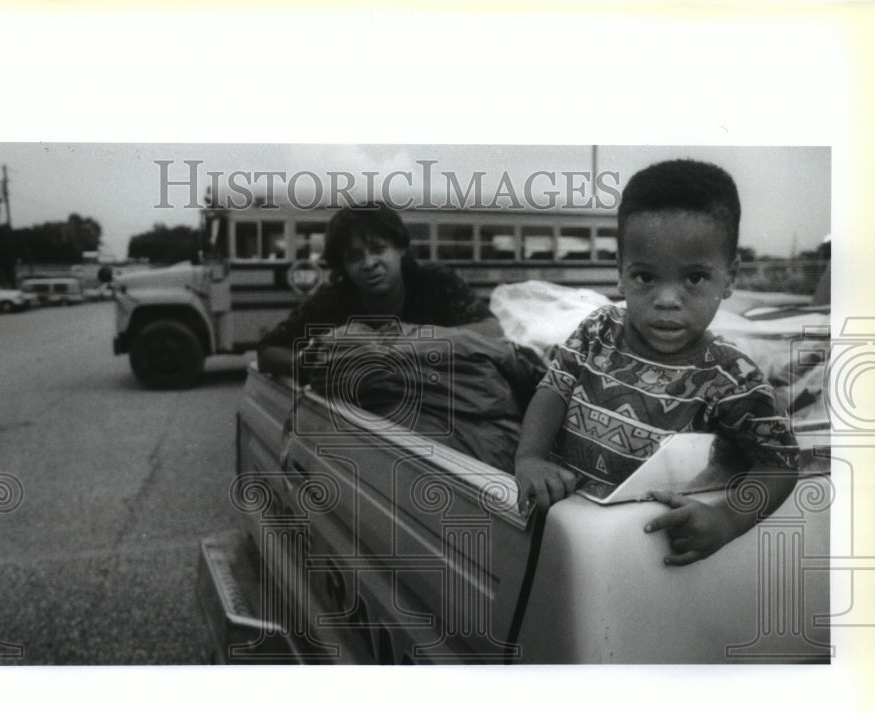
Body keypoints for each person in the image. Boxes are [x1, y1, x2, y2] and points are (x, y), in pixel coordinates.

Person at [514, 159, 799, 566]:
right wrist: (529, 458)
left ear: (730, 277)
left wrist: (728, 520)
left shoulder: (732, 378)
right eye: (646, 277)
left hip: (642, 553)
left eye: (695, 278)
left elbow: (780, 462)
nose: (667, 299)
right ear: (620, 273)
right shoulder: (598, 330)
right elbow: (553, 390)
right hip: (558, 523)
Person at [256, 202, 500, 377]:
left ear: (401, 248)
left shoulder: (434, 282)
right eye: (354, 256)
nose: (369, 263)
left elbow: (491, 330)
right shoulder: (334, 298)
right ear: (343, 266)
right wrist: (309, 363)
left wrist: (412, 342)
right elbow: (268, 351)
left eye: (378, 249)